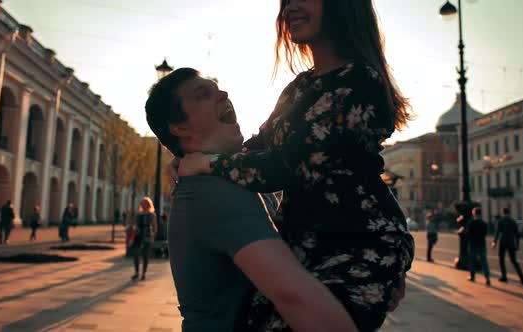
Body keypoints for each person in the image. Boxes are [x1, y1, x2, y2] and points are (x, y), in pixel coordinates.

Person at [176, 0, 414, 330]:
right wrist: (190, 157)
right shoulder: (298, 87)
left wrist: (209, 163)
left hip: (358, 244)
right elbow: (257, 149)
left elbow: (284, 166)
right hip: (304, 246)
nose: (290, 8)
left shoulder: (361, 82)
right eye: (286, 0)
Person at [146, 68, 404, 332]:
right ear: (180, 127)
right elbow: (292, 294)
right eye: (203, 94)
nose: (224, 93)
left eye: (218, 88)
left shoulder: (227, 180)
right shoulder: (212, 192)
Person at [492, 207, 523, 284]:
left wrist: (494, 242)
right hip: (511, 242)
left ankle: (504, 276)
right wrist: (517, 245)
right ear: (509, 213)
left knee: (501, 259)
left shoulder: (500, 221)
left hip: (503, 241)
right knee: (514, 260)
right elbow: (517, 234)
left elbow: (497, 233)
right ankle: (521, 277)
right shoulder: (513, 221)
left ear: (503, 212)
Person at [131, 197, 157, 281]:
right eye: (142, 203)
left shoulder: (151, 214)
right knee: (136, 254)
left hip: (147, 236)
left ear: (149, 204)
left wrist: (153, 237)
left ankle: (143, 273)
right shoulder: (138, 214)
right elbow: (134, 224)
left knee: (145, 256)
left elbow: (154, 227)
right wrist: (134, 230)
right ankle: (136, 272)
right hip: (138, 236)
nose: (143, 205)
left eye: (145, 203)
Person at [467, 208, 491, 286]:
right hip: (482, 244)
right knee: (484, 262)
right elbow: (485, 233)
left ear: (474, 214)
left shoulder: (471, 223)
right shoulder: (484, 223)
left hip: (473, 244)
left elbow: (468, 234)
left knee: (472, 261)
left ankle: (472, 276)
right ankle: (487, 278)